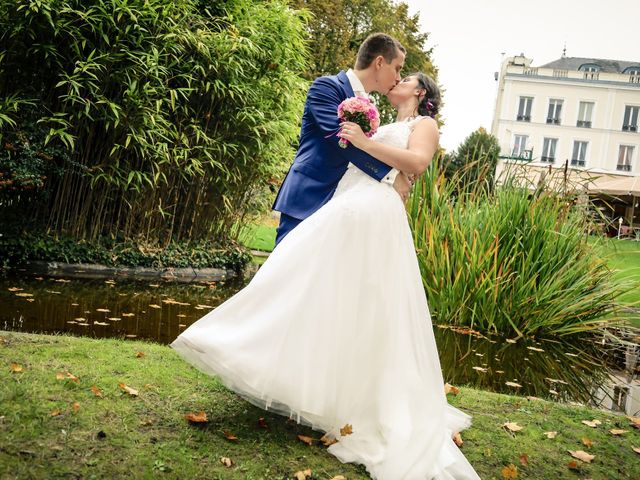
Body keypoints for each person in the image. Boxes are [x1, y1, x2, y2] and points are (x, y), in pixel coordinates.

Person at [171, 64, 481, 478]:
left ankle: (357, 396)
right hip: (350, 203)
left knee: (357, 296)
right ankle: (253, 353)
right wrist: (364, 142)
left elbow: (418, 163)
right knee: (312, 282)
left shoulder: (425, 123)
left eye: (407, 80)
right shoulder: (385, 118)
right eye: (399, 74)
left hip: (374, 212)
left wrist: (363, 143)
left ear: (421, 93)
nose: (399, 81)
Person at [272, 33, 414, 246]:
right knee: (283, 272)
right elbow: (339, 138)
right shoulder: (326, 87)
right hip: (310, 194)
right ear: (379, 63)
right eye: (397, 68)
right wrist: (392, 176)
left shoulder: (369, 105)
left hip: (343, 205)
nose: (398, 77)